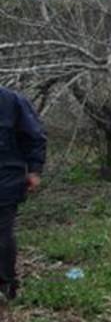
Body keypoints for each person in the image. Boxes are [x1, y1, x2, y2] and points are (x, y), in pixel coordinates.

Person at [0, 85, 46, 302]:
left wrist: (35, 170)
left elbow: (34, 136)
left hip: (6, 178)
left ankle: (6, 284)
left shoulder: (12, 102)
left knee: (2, 233)